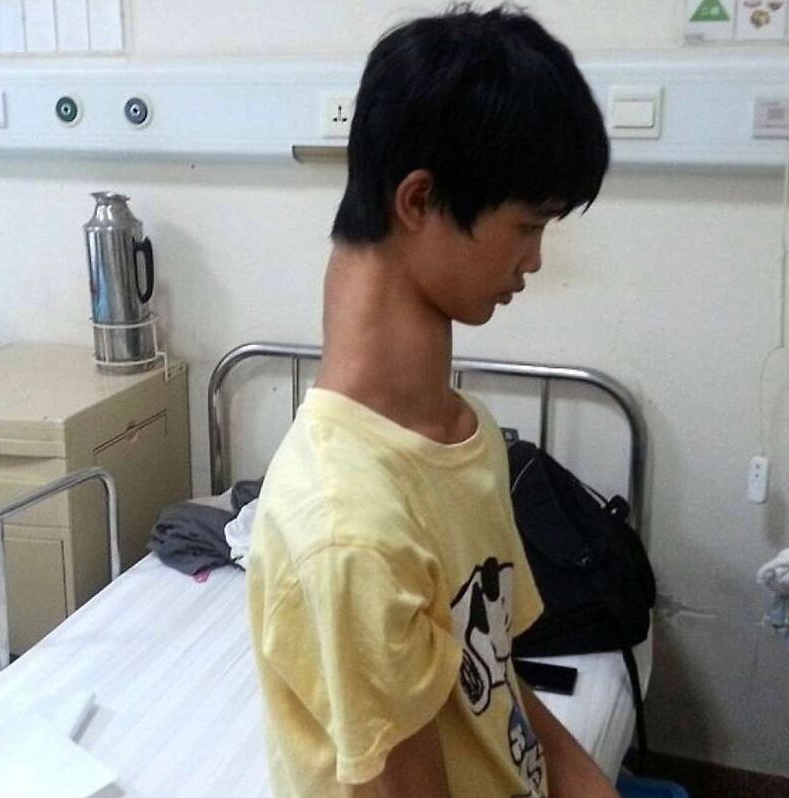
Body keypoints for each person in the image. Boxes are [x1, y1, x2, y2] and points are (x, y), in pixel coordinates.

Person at [248, 5, 616, 796]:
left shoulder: (460, 433)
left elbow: (498, 686)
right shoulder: (348, 527)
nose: (537, 259)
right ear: (418, 202)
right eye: (525, 225)